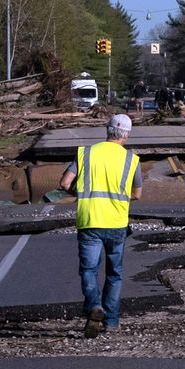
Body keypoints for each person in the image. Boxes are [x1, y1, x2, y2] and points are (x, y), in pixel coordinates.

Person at [59, 112, 142, 337]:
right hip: (116, 222)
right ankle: (111, 322)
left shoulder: (86, 154)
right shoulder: (131, 159)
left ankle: (94, 305)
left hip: (90, 220)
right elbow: (137, 194)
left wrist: (82, 192)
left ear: (107, 130)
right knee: (114, 273)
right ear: (127, 135)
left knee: (89, 269)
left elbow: (65, 182)